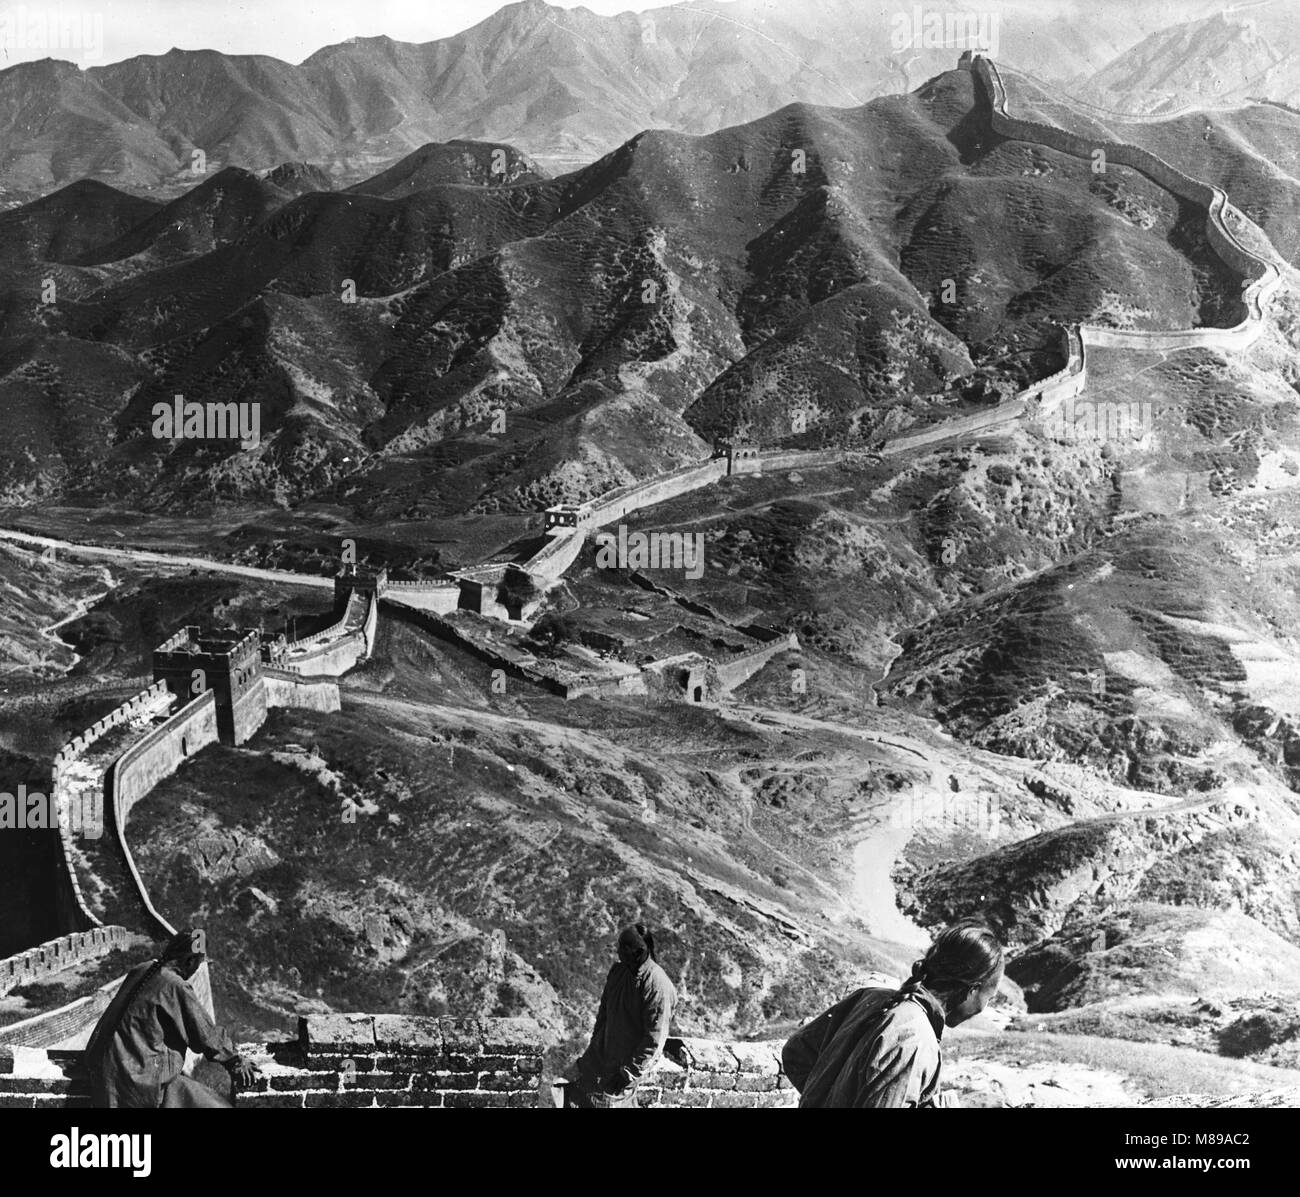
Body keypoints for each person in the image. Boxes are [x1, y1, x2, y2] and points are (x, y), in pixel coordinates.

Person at [782, 920, 1004, 1108]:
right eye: (989, 997)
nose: (983, 1008)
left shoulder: (871, 997)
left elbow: (795, 1053)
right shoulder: (915, 1038)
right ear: (972, 989)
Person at [84, 928, 261, 1108]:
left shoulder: (141, 969)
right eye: (197, 964)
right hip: (137, 1080)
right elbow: (206, 1035)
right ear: (190, 960)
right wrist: (235, 1061)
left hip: (105, 1074)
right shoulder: (175, 986)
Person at [568, 923, 676, 1108]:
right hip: (598, 1061)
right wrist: (593, 1049)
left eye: (623, 947)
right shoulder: (618, 971)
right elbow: (604, 1015)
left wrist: (627, 1074)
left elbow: (654, 1040)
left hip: (619, 1073)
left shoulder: (657, 986)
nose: (618, 951)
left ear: (639, 952)